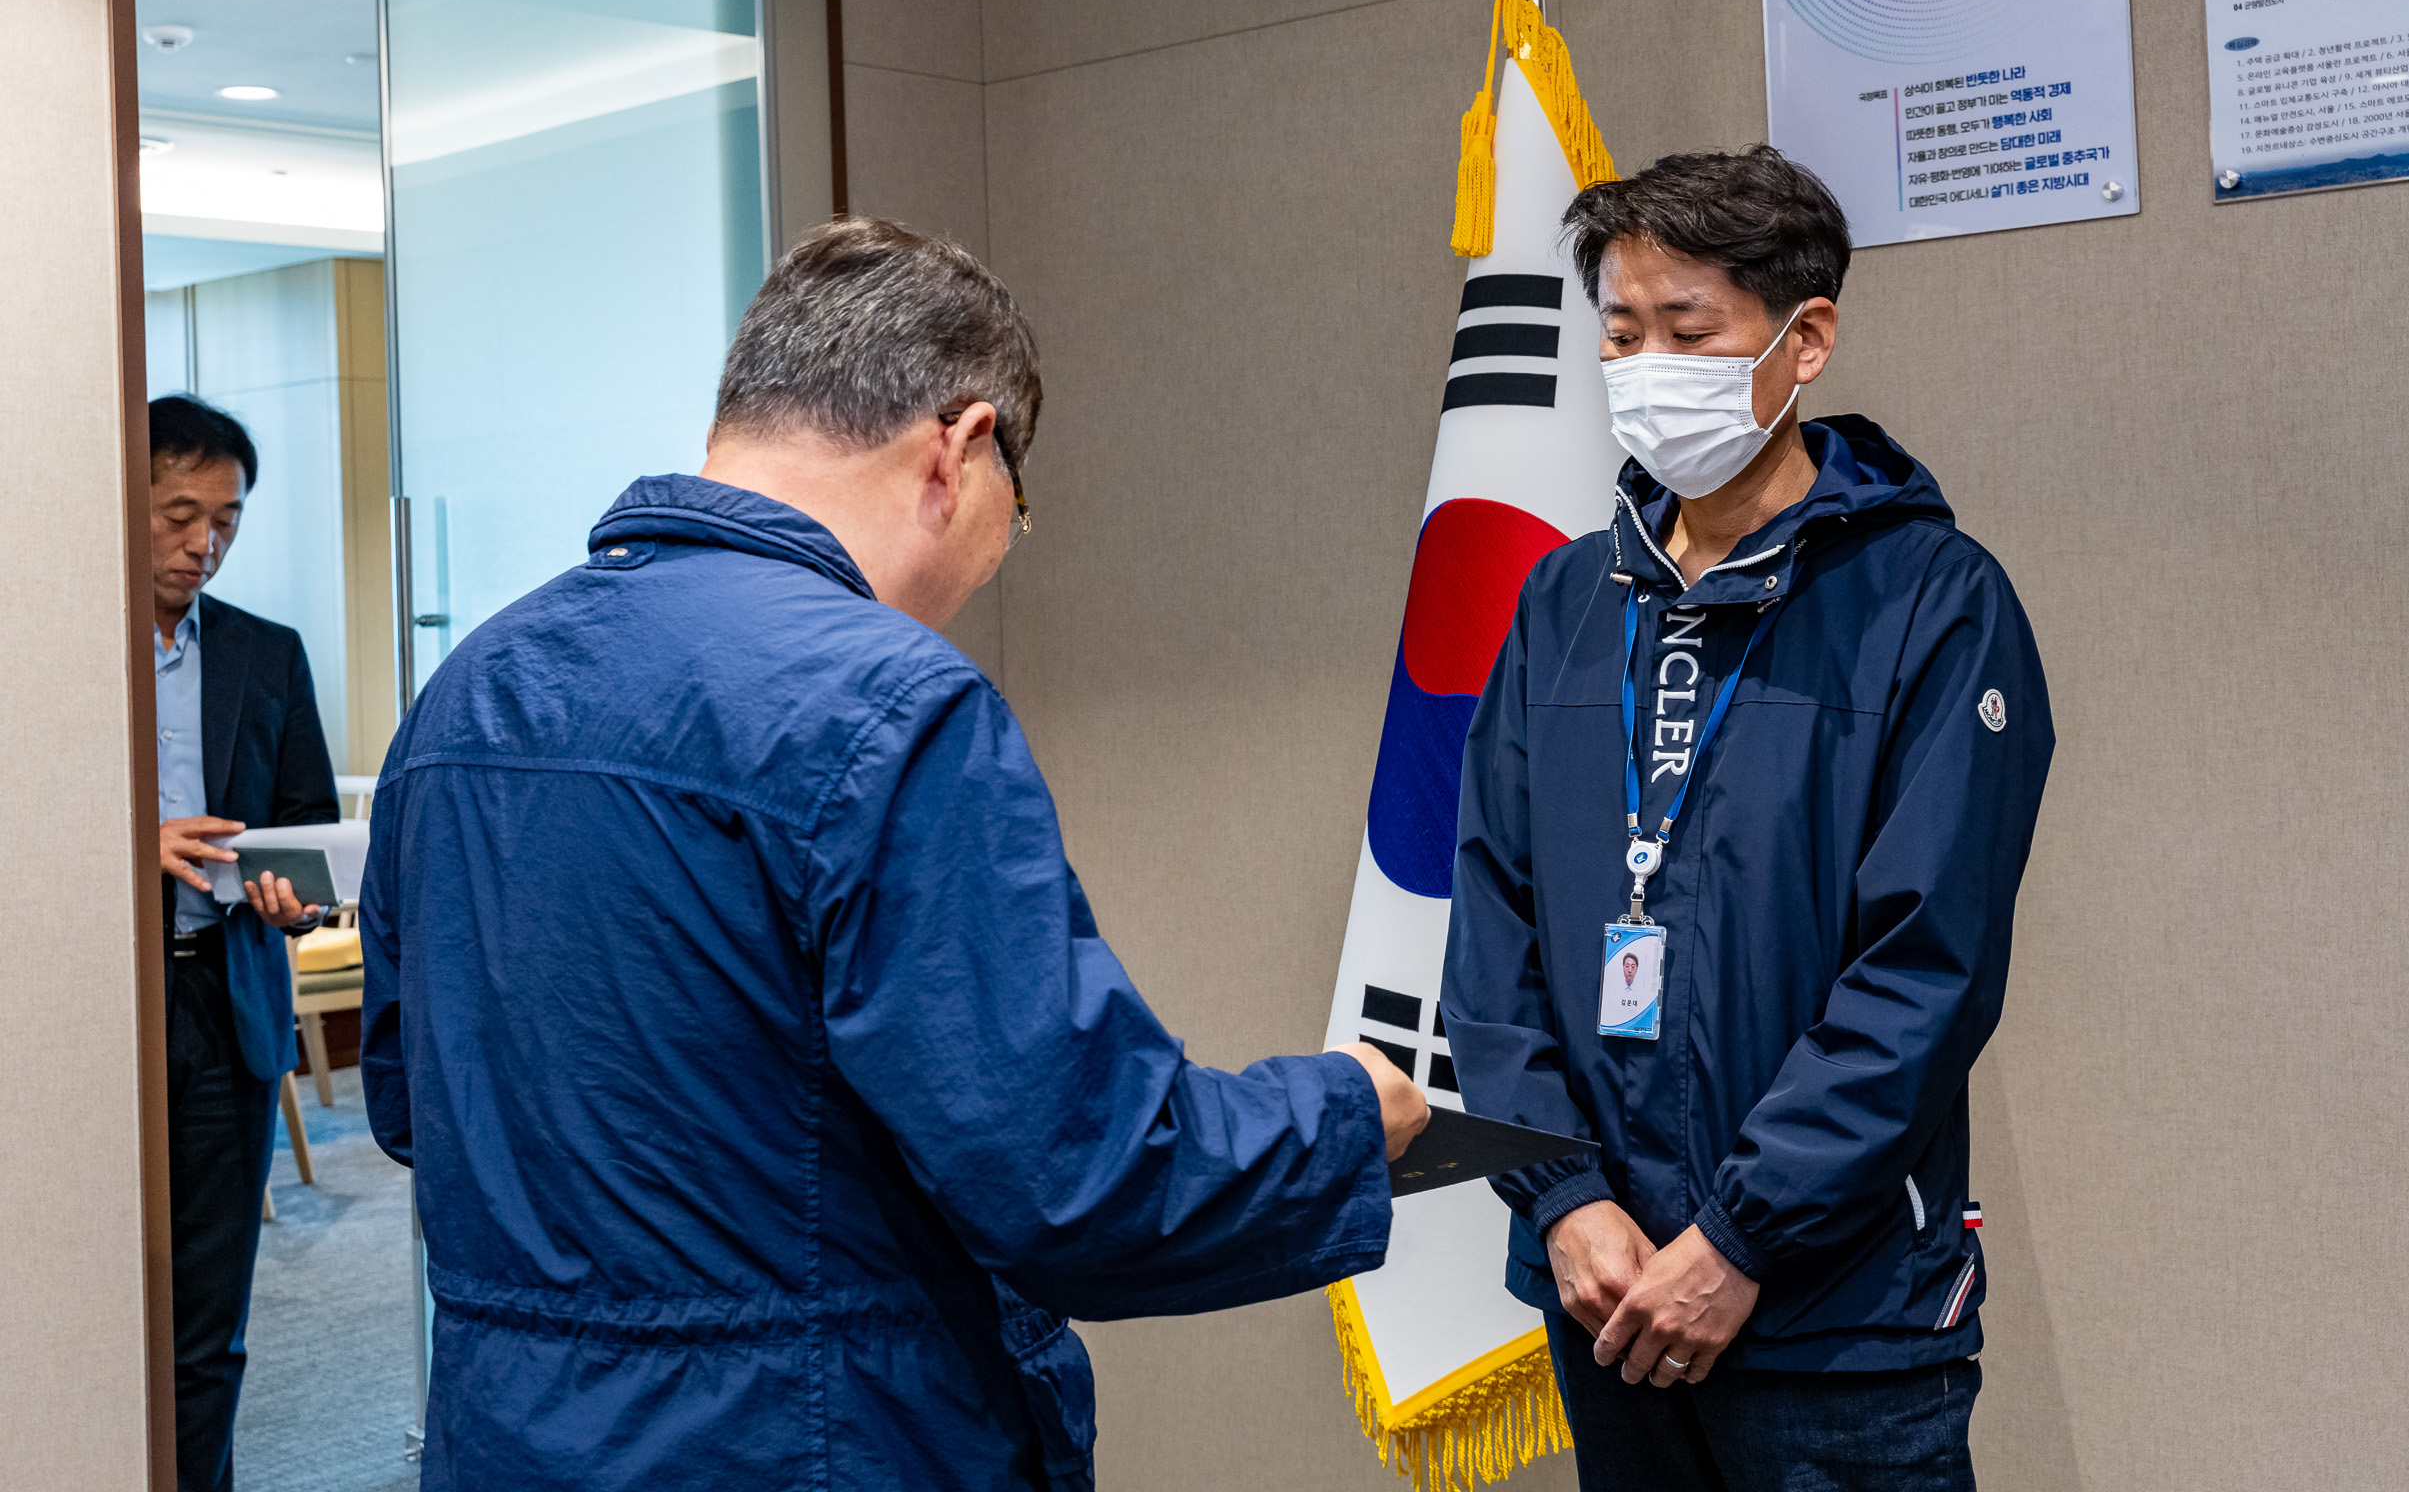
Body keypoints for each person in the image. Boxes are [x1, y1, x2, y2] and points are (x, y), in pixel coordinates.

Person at [359, 216, 1428, 1491]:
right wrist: (1342, 1117)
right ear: (960, 448)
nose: (998, 551)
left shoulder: (463, 693)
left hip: (508, 1441)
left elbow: (411, 1102)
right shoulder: (888, 703)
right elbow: (1074, 1176)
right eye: (1017, 510)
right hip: (812, 1441)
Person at [1442, 146, 2055, 1491]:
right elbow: (1491, 926)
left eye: (1688, 330)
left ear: (1804, 340)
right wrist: (1565, 1198)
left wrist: (1739, 1239)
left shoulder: (1931, 603)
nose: (1645, 365)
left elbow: (1925, 968)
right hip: (1605, 1290)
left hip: (1831, 1313)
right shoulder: (1562, 603)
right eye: (1620, 333)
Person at [147, 395, 339, 1492]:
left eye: (225, 521)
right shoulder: (50, 649)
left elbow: (306, 827)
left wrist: (290, 899)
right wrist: (131, 845)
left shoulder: (267, 655)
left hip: (227, 1001)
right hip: (98, 1011)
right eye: (181, 515)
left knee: (209, 1320)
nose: (204, 544)